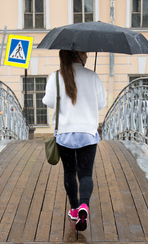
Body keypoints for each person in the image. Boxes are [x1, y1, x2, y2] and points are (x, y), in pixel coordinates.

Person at [42, 50, 107, 231]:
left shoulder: (56, 77)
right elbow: (101, 103)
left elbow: (48, 101)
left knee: (69, 172)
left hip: (65, 133)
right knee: (85, 174)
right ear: (78, 55)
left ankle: (74, 208)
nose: (86, 56)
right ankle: (84, 206)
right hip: (87, 133)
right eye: (84, 53)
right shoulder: (92, 76)